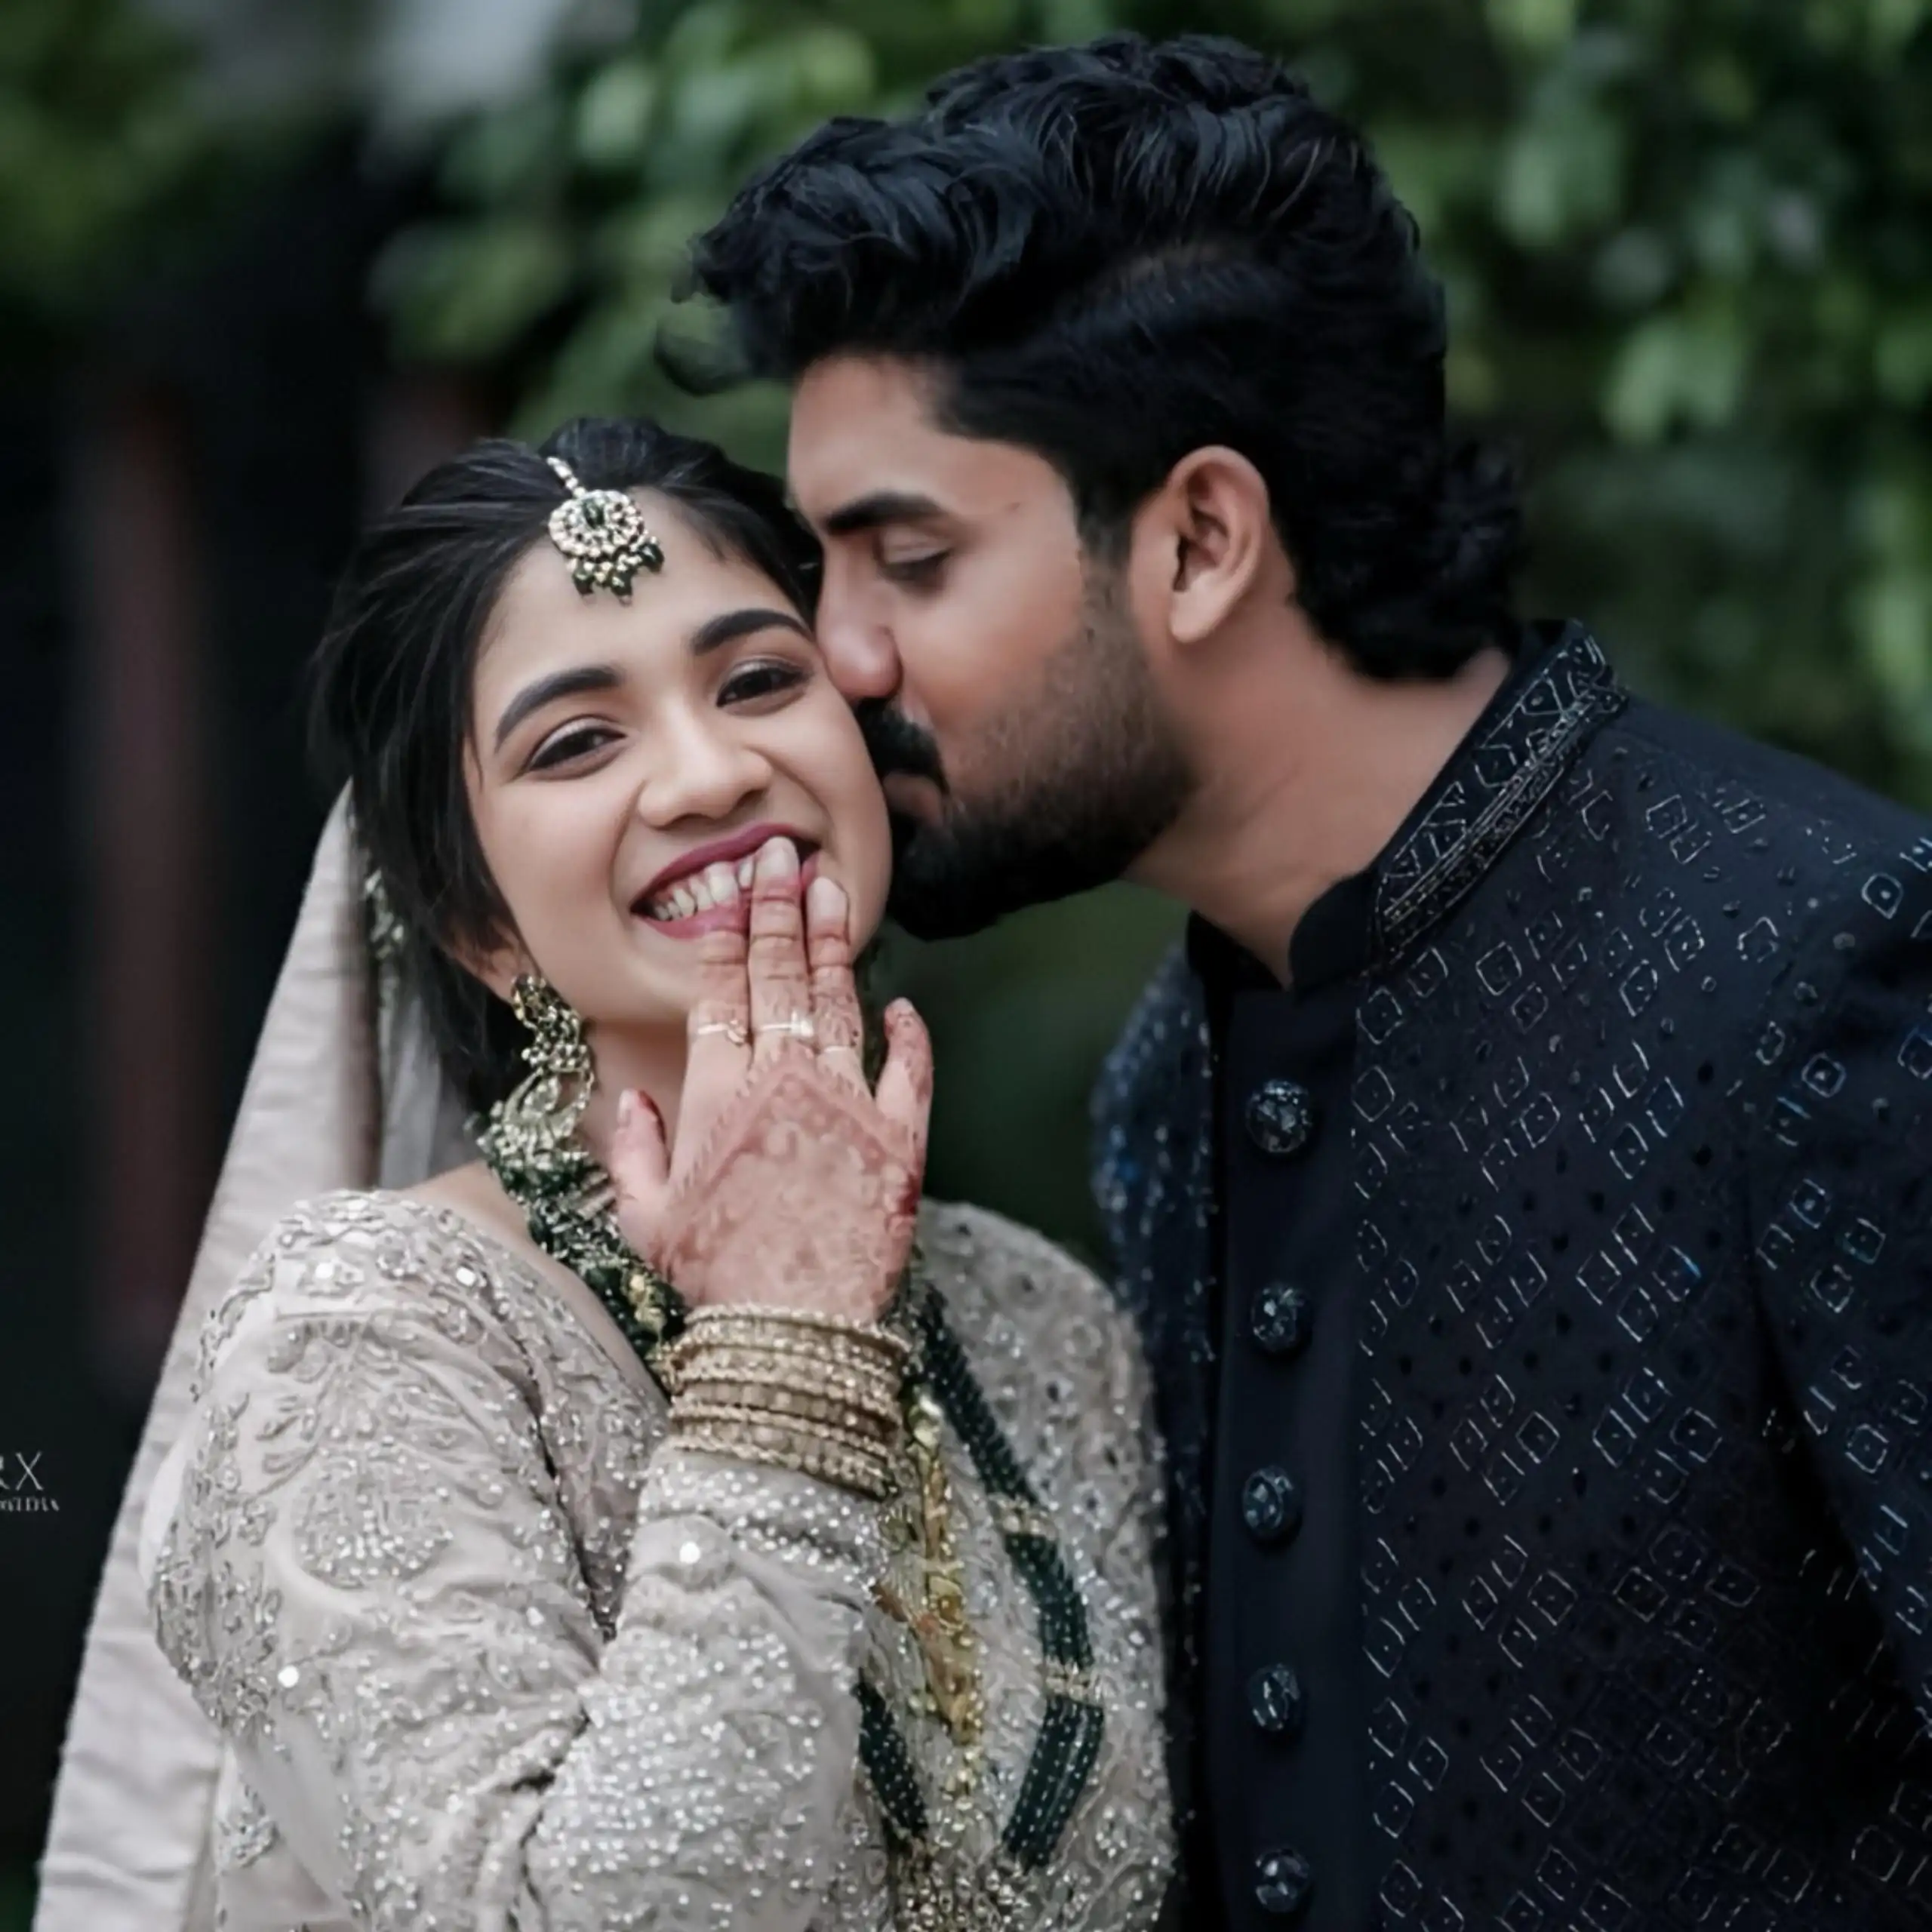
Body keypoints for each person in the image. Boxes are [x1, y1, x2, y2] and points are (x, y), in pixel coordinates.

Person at [675, 30, 1932, 1932]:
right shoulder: (1169, 1078)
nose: (833, 655)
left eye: (905, 559)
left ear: (1196, 538)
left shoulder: (1816, 966)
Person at [35, 420, 1174, 1931]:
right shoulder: (360, 1342)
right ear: (473, 923)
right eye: (576, 740)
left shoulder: (1042, 1322)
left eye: (760, 679)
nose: (710, 772)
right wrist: (781, 1342)